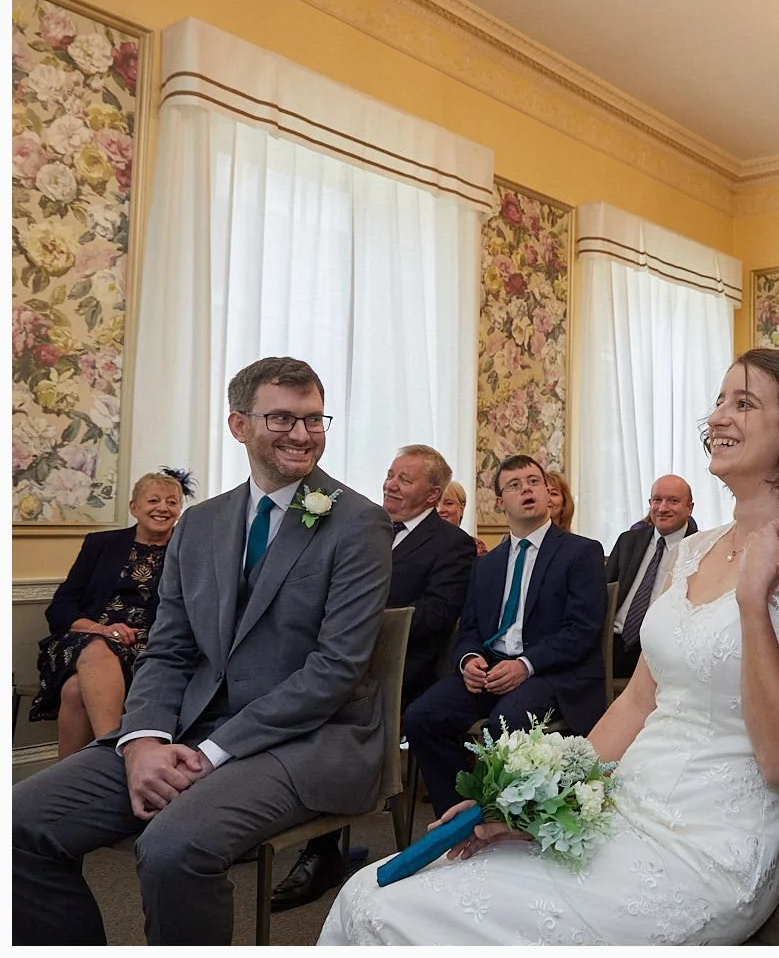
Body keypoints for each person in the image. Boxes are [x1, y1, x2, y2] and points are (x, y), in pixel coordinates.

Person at [320, 347, 779, 945]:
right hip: (616, 808)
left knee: (399, 923)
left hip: (704, 848)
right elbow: (635, 705)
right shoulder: (692, 552)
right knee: (369, 892)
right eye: (718, 402)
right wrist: (526, 806)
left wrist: (752, 602)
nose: (717, 419)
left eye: (744, 403)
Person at [12, 356, 393, 945]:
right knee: (19, 822)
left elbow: (335, 670)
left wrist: (212, 752)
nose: (302, 435)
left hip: (309, 738)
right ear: (239, 425)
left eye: (315, 420)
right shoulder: (201, 524)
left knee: (172, 847)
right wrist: (142, 742)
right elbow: (169, 649)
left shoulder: (359, 523)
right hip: (186, 729)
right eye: (283, 418)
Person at [270, 444, 477, 912]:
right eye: (389, 474)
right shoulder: (362, 529)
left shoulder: (451, 545)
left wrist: (357, 625)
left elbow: (439, 615)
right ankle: (267, 824)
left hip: (403, 675)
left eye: (405, 479)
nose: (390, 484)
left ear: (433, 494)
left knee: (325, 715)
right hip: (335, 661)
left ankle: (320, 852)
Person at [402, 455, 607, 819]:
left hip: (550, 672)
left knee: (506, 721)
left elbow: (582, 630)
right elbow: (468, 631)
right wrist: (468, 660)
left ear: (547, 492)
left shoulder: (581, 552)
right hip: (491, 669)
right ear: (500, 503)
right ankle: (458, 818)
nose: (526, 489)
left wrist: (525, 665)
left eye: (533, 481)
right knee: (421, 716)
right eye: (514, 485)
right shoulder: (487, 564)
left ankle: (501, 824)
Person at [33, 468, 194, 757]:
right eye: (153, 500)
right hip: (85, 640)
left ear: (180, 509)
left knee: (74, 691)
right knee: (97, 648)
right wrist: (102, 630)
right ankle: (114, 755)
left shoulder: (188, 550)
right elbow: (60, 607)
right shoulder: (101, 544)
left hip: (153, 648)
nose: (162, 508)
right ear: (134, 507)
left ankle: (69, 784)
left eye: (172, 502)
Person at [604, 474, 697, 678]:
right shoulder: (628, 541)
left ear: (689, 508)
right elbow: (604, 593)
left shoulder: (699, 548)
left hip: (665, 648)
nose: (663, 508)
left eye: (673, 501)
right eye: (657, 500)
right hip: (614, 643)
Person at [438, 479, 488, 555]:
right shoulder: (419, 544)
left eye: (448, 503)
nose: (440, 509)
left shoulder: (475, 546)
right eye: (435, 504)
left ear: (462, 509)